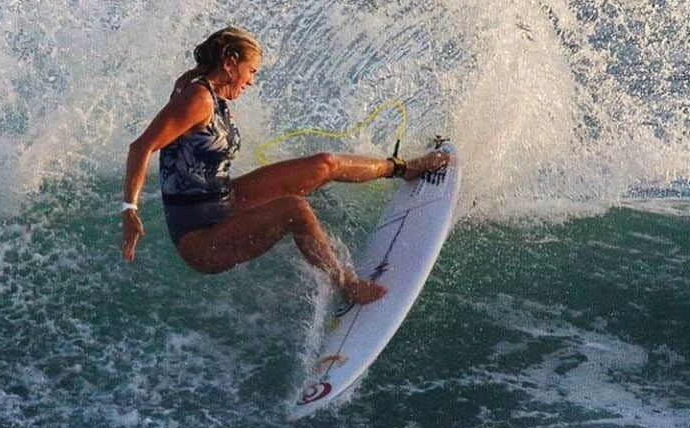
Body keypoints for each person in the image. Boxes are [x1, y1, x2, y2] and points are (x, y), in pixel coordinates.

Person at [120, 27, 449, 304]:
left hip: (225, 200)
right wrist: (129, 210)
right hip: (202, 238)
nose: (251, 81)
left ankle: (403, 168)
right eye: (251, 72)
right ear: (230, 63)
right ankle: (347, 286)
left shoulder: (206, 87)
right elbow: (142, 146)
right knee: (295, 208)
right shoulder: (197, 99)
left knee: (324, 163)